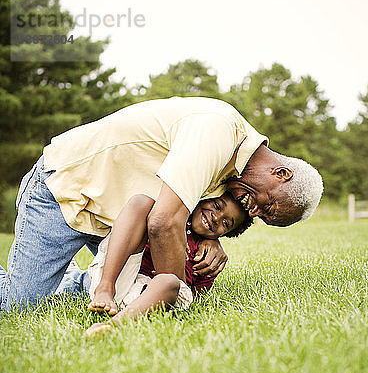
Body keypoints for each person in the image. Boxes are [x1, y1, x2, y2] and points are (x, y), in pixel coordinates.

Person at [0, 96, 323, 312]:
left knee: (121, 286)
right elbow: (163, 222)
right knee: (18, 302)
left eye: (262, 217)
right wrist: (171, 296)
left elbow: (196, 210)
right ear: (280, 174)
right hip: (67, 192)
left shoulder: (236, 173)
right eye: (266, 208)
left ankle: (72, 277)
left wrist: (209, 239)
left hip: (121, 219)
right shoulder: (217, 131)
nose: (253, 212)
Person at [55, 191, 252, 336]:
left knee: (169, 282)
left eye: (227, 223)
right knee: (142, 202)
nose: (216, 218)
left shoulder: (208, 256)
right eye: (217, 206)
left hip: (153, 298)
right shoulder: (167, 217)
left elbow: (193, 297)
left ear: (227, 234)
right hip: (120, 281)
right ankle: (104, 288)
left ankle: (113, 326)